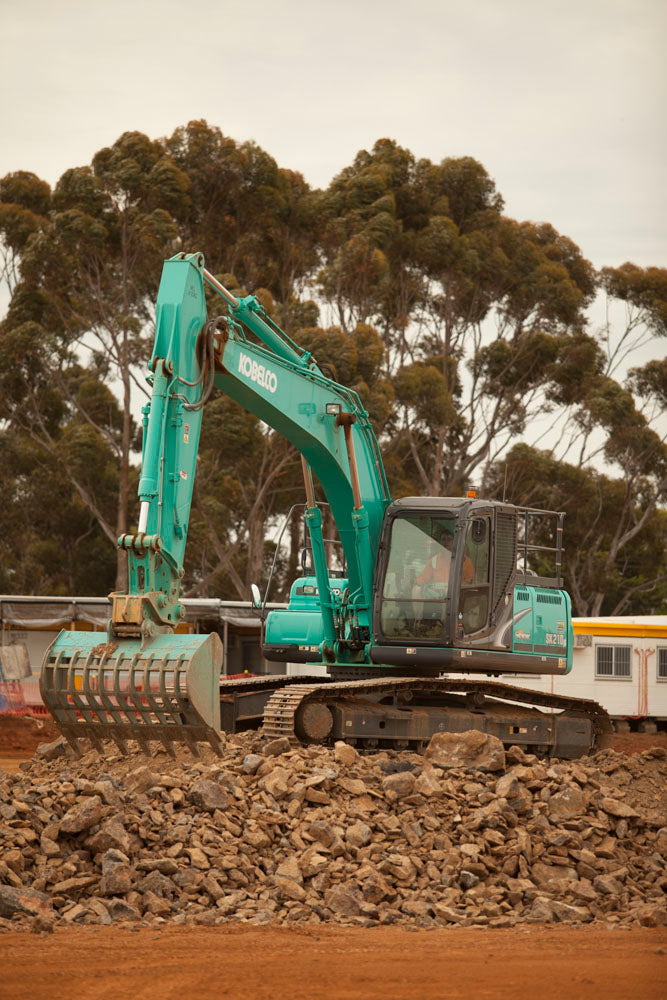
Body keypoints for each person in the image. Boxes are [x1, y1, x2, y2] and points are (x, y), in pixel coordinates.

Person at [412, 523, 473, 600]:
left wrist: (453, 587)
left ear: (455, 542)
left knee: (448, 593)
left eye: (449, 539)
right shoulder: (434, 560)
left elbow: (468, 581)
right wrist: (416, 582)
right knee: (416, 590)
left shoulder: (464, 560)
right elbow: (424, 578)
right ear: (440, 542)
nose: (446, 542)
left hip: (455, 597)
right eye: (443, 539)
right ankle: (418, 613)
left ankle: (447, 612)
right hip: (435, 594)